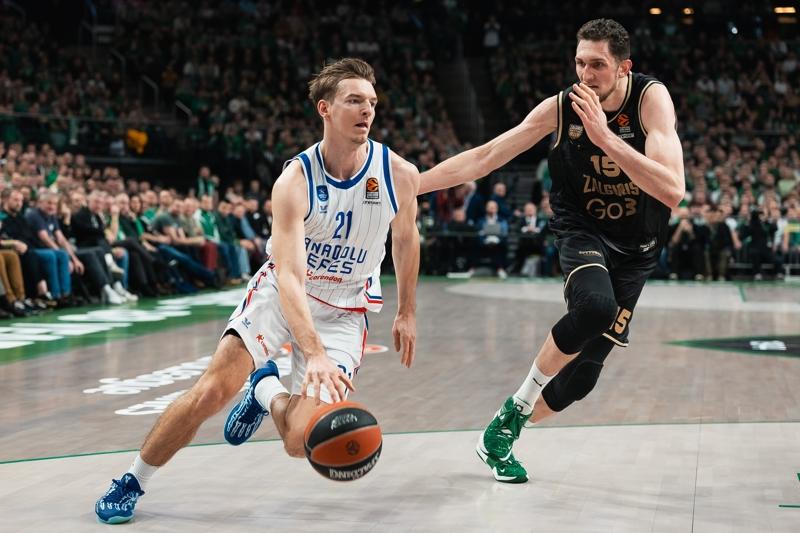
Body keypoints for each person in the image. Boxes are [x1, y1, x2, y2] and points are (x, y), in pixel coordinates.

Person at [95, 57, 421, 524]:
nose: (367, 110)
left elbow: (406, 239)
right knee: (211, 391)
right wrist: (312, 351)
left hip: (345, 309)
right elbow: (289, 277)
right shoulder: (295, 180)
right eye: (354, 101)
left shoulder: (398, 173)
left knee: (300, 442)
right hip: (283, 295)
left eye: (371, 102)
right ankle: (132, 479)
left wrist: (406, 311)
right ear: (325, 109)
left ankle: (264, 389)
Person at [420, 18, 685, 483]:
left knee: (581, 379)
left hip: (637, 245)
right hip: (582, 229)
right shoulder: (562, 107)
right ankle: (514, 411)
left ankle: (503, 429)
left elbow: (672, 190)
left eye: (597, 65)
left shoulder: (651, 100)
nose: (586, 75)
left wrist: (605, 138)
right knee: (595, 308)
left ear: (624, 68)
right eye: (580, 63)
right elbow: (486, 156)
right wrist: (413, 187)